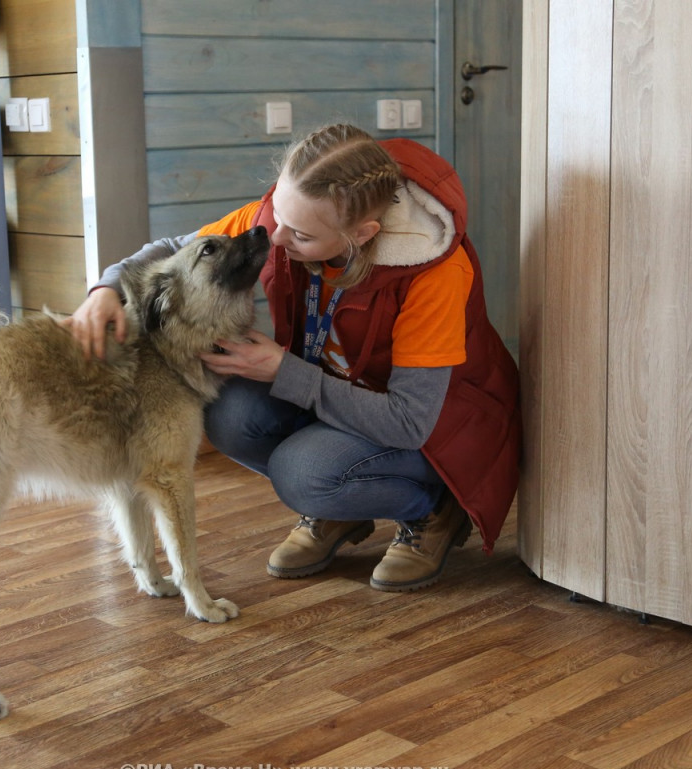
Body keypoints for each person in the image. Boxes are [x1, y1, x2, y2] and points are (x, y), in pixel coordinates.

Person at [63, 123, 520, 592]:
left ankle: (433, 508)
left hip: (439, 434)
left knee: (303, 473)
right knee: (227, 410)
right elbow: (171, 251)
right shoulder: (288, 217)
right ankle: (341, 512)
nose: (275, 238)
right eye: (277, 215)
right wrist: (107, 289)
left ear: (362, 234)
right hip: (345, 396)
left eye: (299, 234)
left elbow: (410, 422)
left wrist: (284, 371)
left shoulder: (434, 276)